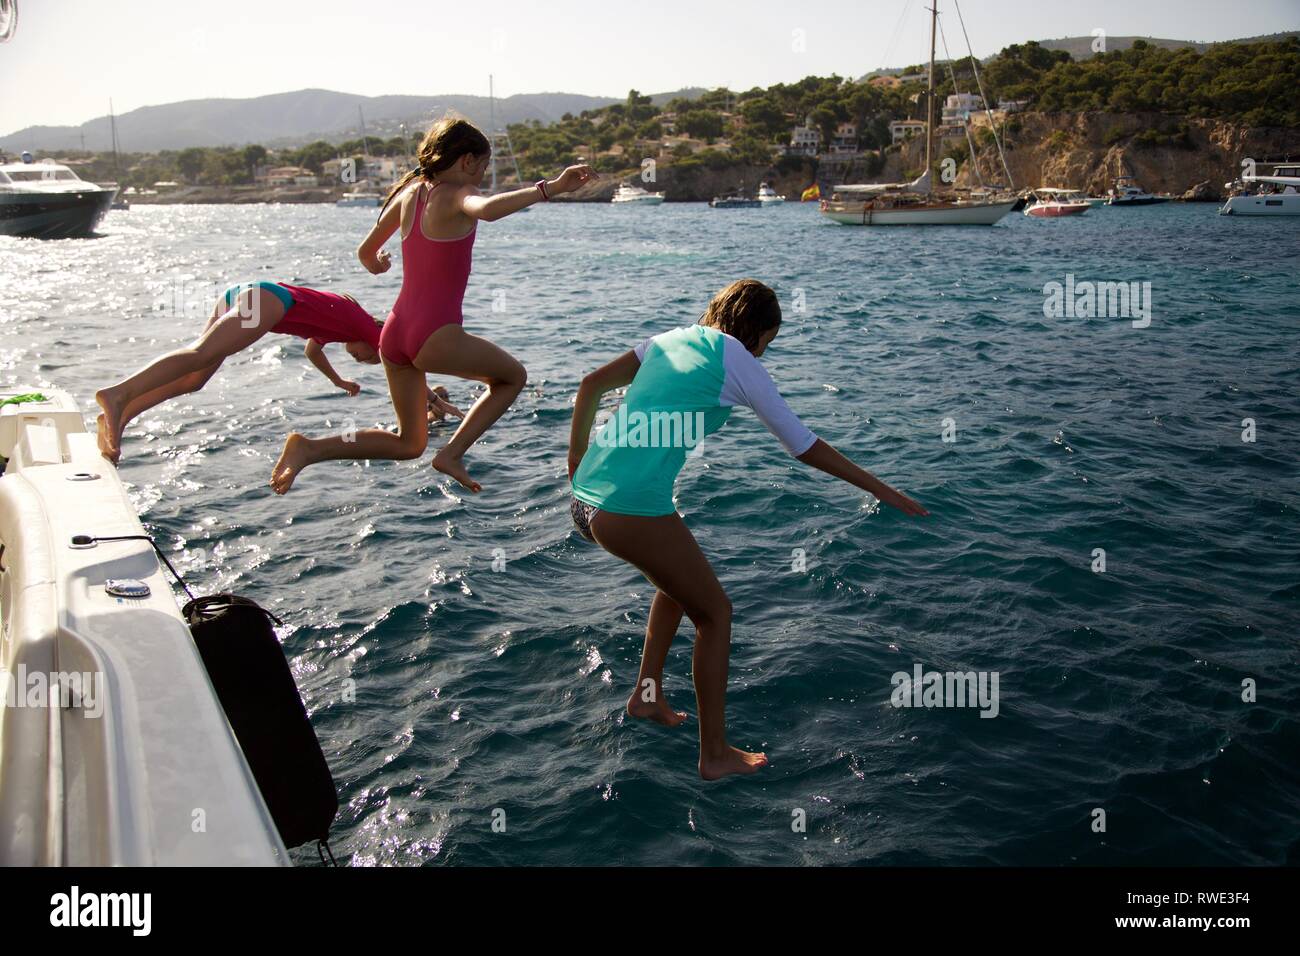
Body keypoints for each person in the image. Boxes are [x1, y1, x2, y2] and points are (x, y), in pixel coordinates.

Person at [567, 279, 929, 781]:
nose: (765, 352)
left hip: (585, 500)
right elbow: (803, 445)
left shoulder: (668, 339)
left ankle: (646, 696)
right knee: (715, 613)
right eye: (769, 342)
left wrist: (575, 457)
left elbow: (590, 385)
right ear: (758, 333)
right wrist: (882, 489)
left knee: (675, 585)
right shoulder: (738, 358)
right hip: (627, 510)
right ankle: (714, 752)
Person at [269, 116, 595, 495]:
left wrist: (377, 264)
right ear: (467, 161)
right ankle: (453, 453)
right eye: (484, 167)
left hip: (394, 333)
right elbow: (487, 209)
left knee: (409, 443)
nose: (483, 176)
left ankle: (309, 448)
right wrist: (551, 187)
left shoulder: (409, 195)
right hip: (434, 334)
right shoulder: (458, 195)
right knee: (513, 378)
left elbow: (365, 252)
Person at [95, 281, 381, 463]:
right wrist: (421, 397)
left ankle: (120, 417)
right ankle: (118, 393)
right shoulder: (365, 324)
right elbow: (395, 357)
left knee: (196, 379)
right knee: (200, 354)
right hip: (266, 299)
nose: (362, 360)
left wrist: (339, 381)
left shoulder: (339, 329)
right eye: (370, 358)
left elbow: (312, 351)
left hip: (248, 295)